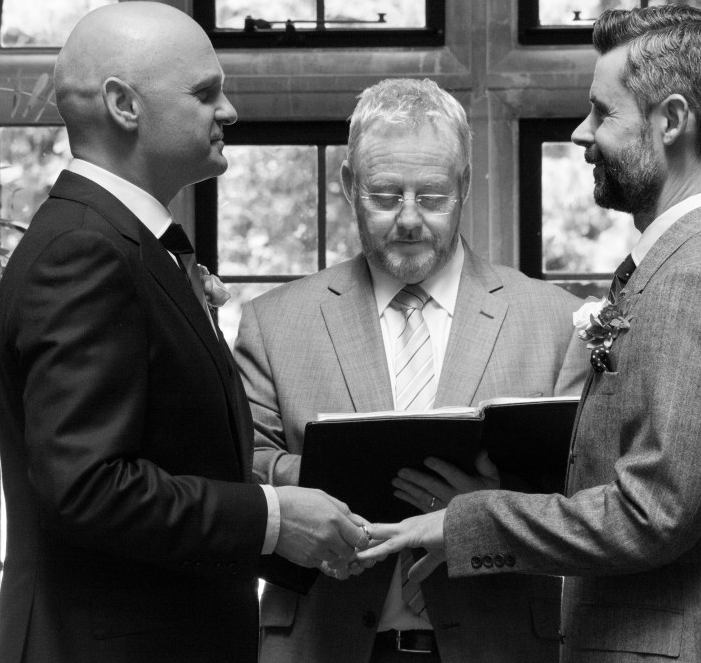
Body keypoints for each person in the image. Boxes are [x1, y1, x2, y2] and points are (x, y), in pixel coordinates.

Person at [358, 5, 701, 662]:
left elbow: (652, 514)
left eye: (602, 112)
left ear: (671, 120)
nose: (581, 132)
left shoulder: (698, 282)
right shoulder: (697, 264)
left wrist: (468, 521)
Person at [0, 1, 370, 663]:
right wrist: (273, 519)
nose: (229, 112)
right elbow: (86, 487)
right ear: (123, 105)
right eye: (204, 93)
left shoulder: (120, 243)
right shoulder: (85, 251)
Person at [234, 78, 587, 663]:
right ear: (348, 183)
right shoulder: (273, 322)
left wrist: (487, 510)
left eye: (433, 196)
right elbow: (237, 468)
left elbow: (587, 500)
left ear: (465, 184)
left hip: (498, 644)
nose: (408, 219)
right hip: (321, 643)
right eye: (384, 195)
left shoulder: (555, 321)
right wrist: (337, 477)